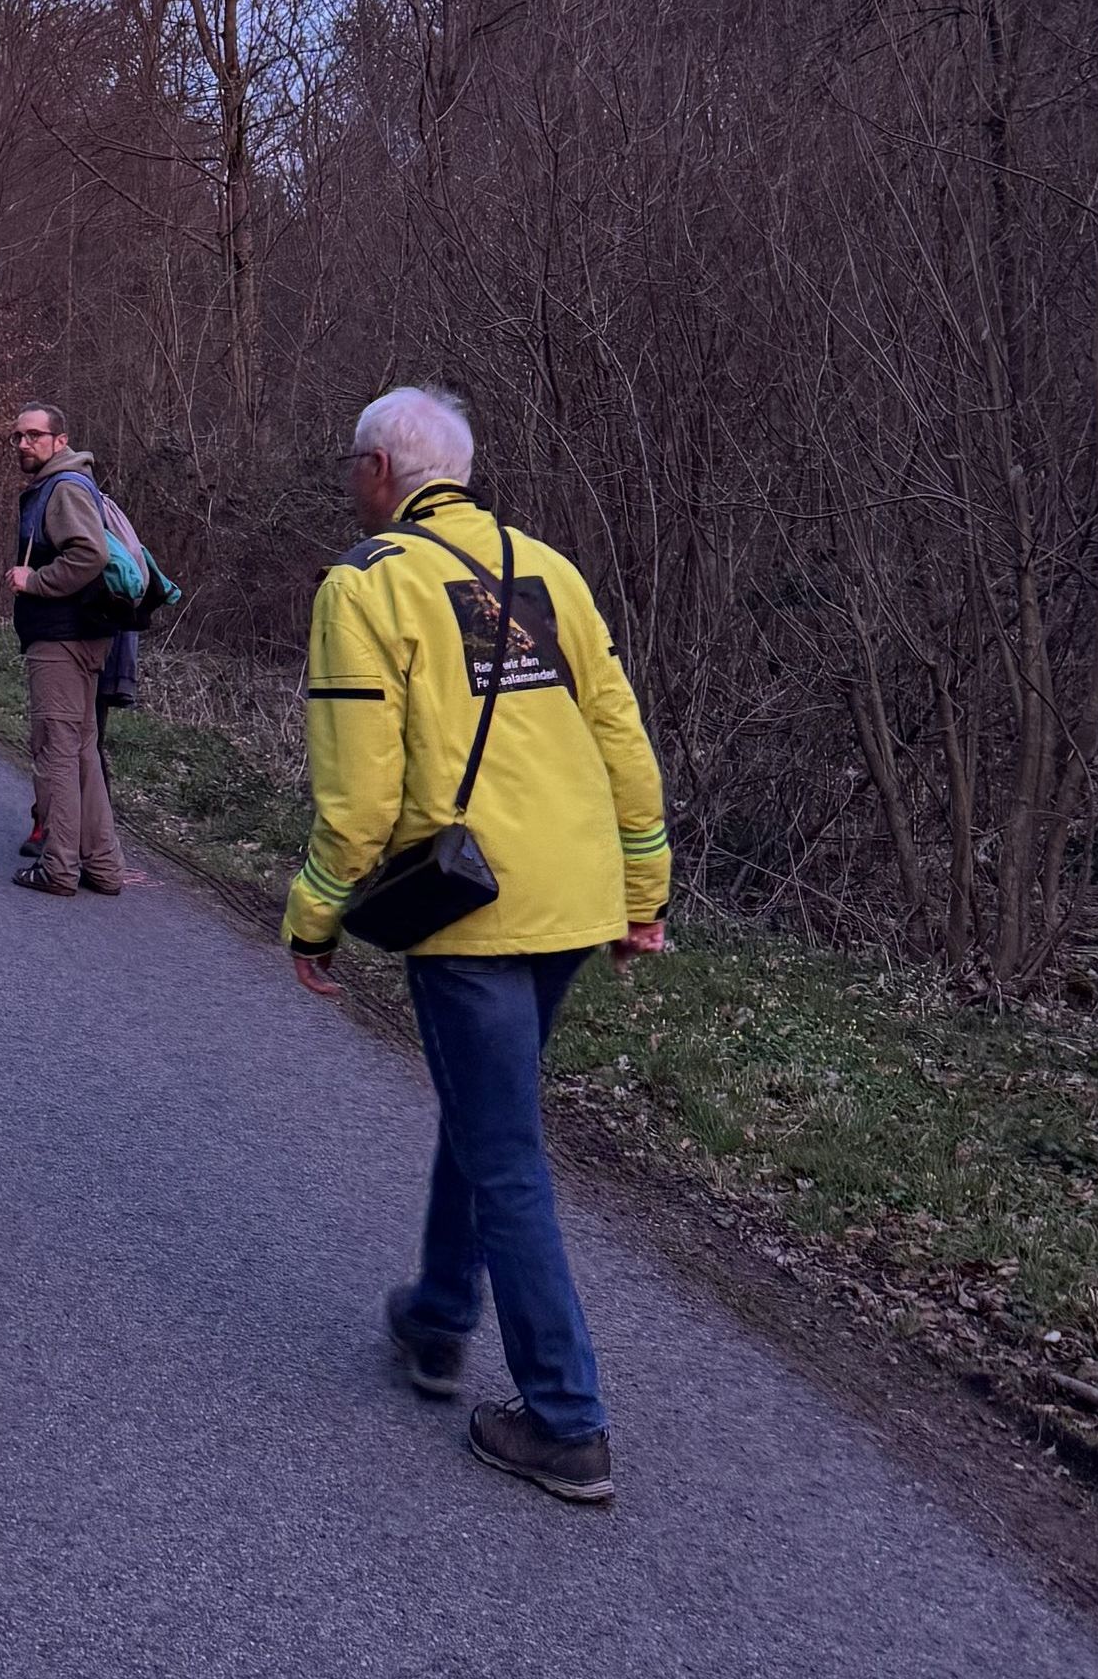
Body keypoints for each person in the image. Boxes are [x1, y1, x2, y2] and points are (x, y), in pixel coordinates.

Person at [284, 385, 670, 1507]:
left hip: (468, 907)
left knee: (506, 1152)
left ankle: (566, 1418)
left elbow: (358, 800)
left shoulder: (364, 584)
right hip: (575, 888)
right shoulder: (550, 568)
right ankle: (440, 1319)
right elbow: (619, 736)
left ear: (374, 473)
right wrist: (645, 889)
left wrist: (314, 916)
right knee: (486, 1109)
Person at [4, 400, 127, 900]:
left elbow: (89, 553)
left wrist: (35, 580)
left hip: (61, 638)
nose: (23, 444)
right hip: (82, 635)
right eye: (17, 436)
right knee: (80, 751)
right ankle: (103, 865)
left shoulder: (63, 488)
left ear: (60, 440)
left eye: (33, 435)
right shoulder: (68, 484)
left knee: (55, 751)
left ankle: (59, 867)